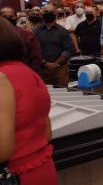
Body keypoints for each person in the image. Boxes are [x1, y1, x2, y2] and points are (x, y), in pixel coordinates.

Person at [0, 18, 58, 185]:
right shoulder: (27, 72)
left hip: (17, 174)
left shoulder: (2, 78)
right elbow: (47, 132)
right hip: (41, 166)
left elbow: (3, 149)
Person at [34, 5, 74, 87]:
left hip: (60, 68)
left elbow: (68, 49)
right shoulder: (35, 32)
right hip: (42, 69)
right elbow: (33, 50)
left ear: (56, 14)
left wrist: (56, 64)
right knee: (44, 94)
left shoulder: (63, 31)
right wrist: (45, 63)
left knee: (62, 93)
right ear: (41, 14)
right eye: (45, 12)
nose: (48, 13)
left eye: (51, 12)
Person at [0, 7, 43, 73]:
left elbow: (36, 57)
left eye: (11, 16)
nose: (7, 18)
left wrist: (29, 72)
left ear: (16, 18)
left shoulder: (27, 35)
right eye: (4, 16)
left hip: (23, 72)